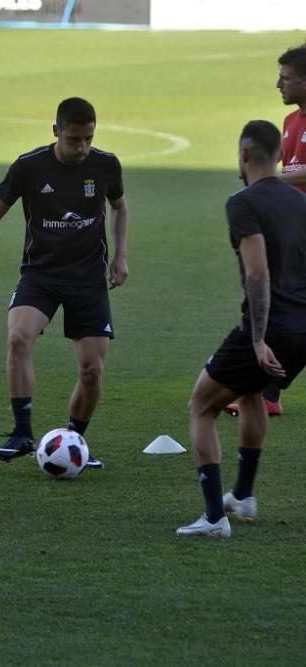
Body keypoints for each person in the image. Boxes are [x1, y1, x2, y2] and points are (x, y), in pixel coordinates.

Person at [0, 97, 129, 468]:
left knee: (92, 370)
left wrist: (120, 255)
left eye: (87, 138)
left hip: (88, 280)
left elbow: (119, 206)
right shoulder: (29, 166)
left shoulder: (105, 165)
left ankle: (75, 441)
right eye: (73, 139)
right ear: (56, 132)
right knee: (18, 338)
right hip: (41, 274)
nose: (81, 147)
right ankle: (22, 433)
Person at [177, 120, 306, 538]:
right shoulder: (300, 202)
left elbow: (257, 272)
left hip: (271, 328)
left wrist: (257, 338)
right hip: (303, 329)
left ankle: (214, 518)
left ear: (244, 154)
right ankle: (243, 496)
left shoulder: (242, 202)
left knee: (201, 406)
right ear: (281, 157)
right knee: (250, 392)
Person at [228, 44, 306, 418]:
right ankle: (269, 389)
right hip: (291, 230)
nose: (279, 84)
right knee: (283, 304)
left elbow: (289, 173)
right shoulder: (290, 122)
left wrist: (275, 176)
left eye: (286, 78)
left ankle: (268, 388)